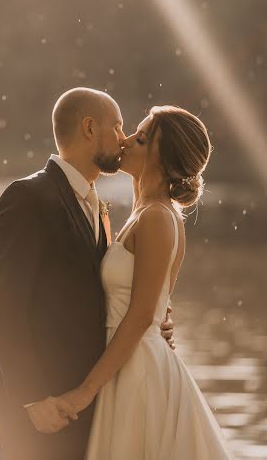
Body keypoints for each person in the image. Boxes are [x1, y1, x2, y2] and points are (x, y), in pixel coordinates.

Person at [0, 88, 175, 460]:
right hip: (37, 407)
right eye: (117, 126)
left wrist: (155, 320)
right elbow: (4, 308)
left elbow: (99, 294)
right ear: (89, 128)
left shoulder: (97, 207)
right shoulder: (27, 197)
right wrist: (31, 397)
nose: (123, 138)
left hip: (83, 402)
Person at [56, 105, 234, 459]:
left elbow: (140, 317)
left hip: (138, 375)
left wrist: (85, 391)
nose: (125, 142)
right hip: (124, 364)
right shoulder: (145, 213)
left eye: (140, 138)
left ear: (162, 158)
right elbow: (158, 308)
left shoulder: (157, 218)